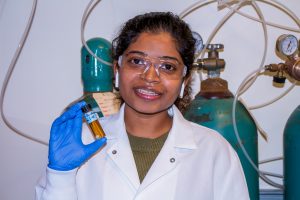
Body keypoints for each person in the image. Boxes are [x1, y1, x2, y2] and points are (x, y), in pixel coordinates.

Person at [35, 12, 250, 200]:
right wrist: (59, 176)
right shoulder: (82, 141)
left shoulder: (214, 151)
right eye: (137, 61)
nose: (149, 76)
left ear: (184, 81)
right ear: (117, 71)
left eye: (167, 66)